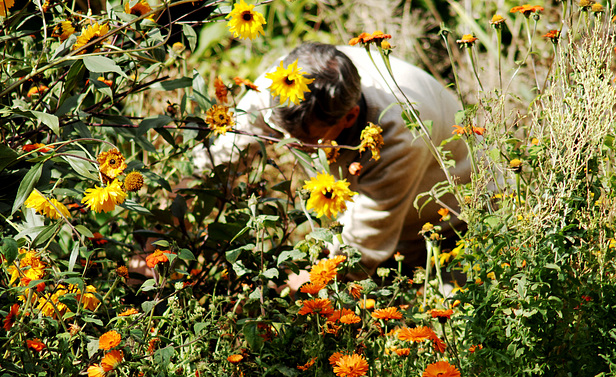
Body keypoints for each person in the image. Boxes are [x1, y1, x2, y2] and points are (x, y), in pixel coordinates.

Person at [193, 42, 471, 277]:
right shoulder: (287, 80)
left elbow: (363, 244)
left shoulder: (401, 131)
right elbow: (232, 147)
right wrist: (188, 193)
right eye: (284, 135)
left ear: (349, 117)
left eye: (308, 142)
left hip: (450, 228)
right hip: (385, 222)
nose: (295, 148)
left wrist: (309, 281)